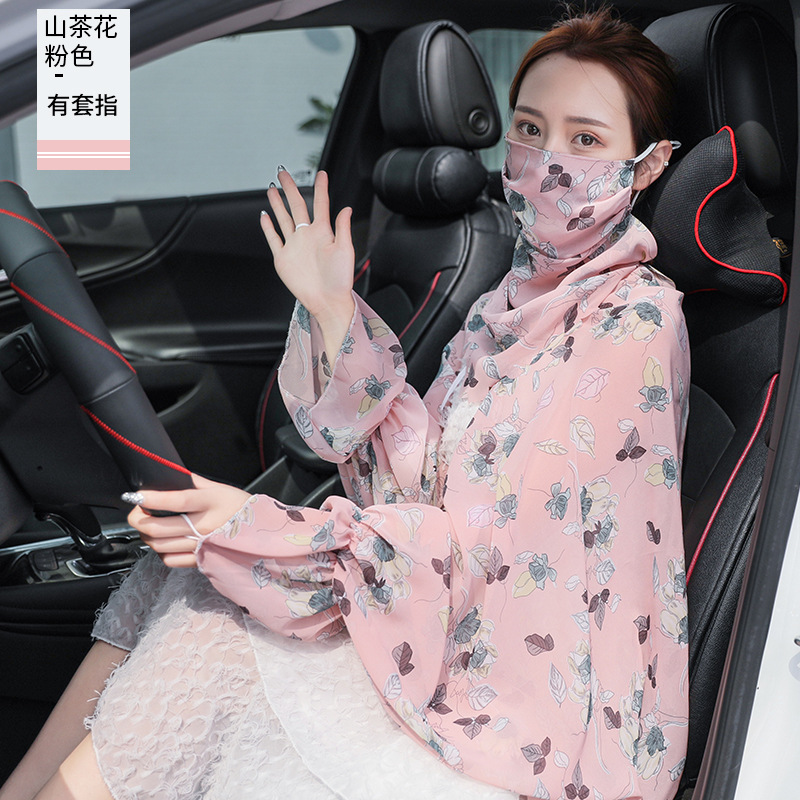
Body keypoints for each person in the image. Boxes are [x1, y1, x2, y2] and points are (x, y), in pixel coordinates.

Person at [0, 8, 689, 800]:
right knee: (181, 577)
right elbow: (416, 483)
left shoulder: (634, 324)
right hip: (449, 631)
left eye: (585, 139)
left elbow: (492, 553)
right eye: (531, 130)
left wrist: (262, 532)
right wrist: (331, 309)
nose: (547, 163)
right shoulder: (509, 301)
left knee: (213, 628)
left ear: (646, 166)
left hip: (531, 713)